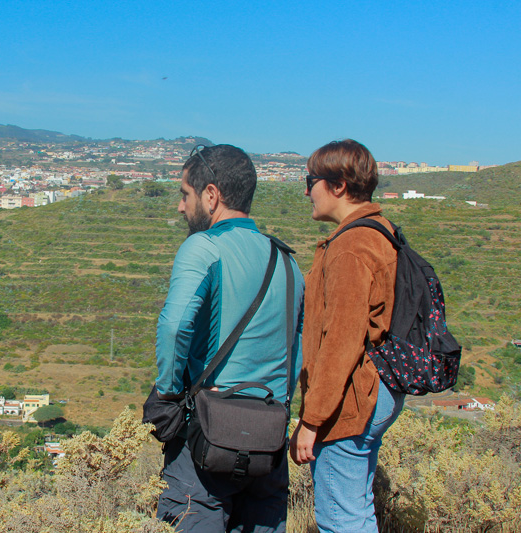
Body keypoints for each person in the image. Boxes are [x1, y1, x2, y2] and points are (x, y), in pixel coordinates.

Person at [155, 144, 304, 532]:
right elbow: (299, 349)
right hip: (269, 440)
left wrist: (169, 394)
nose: (181, 207)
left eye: (185, 195)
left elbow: (174, 327)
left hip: (207, 435)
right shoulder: (288, 262)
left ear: (211, 195)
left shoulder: (203, 248)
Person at [289, 139, 405, 532]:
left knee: (342, 518)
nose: (307, 191)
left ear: (338, 185)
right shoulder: (378, 231)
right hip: (377, 388)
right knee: (356, 509)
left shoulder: (351, 247)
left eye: (311, 181)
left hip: (353, 397)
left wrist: (312, 419)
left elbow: (340, 341)